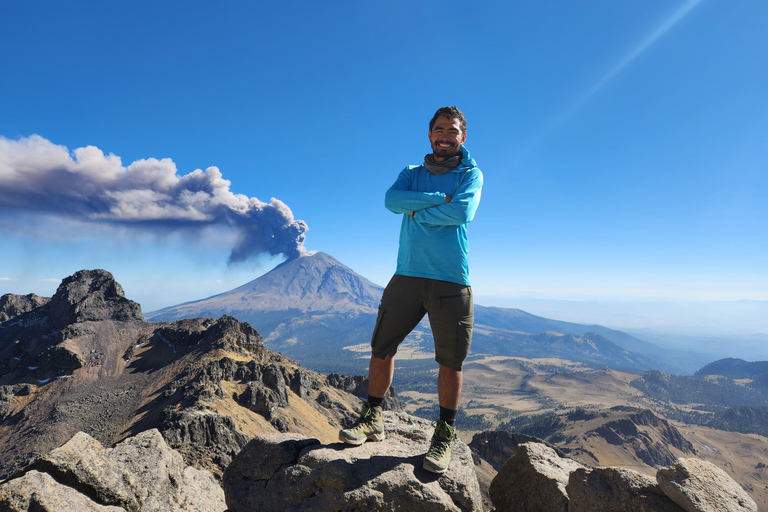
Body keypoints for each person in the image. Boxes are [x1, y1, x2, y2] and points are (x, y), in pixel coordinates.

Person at [339, 106, 483, 474]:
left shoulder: (472, 174)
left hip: (451, 278)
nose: (445, 136)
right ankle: (372, 417)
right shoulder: (411, 172)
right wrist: (439, 200)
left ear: (462, 137)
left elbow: (462, 213)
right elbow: (391, 201)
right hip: (407, 274)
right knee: (381, 346)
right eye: (439, 129)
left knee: (451, 360)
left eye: (452, 131)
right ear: (430, 134)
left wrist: (417, 209)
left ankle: (445, 434)